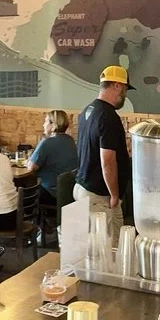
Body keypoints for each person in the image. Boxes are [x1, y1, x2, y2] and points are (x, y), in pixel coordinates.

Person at [77, 67, 133, 216]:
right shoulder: (108, 117)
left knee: (90, 239)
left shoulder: (87, 110)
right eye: (125, 90)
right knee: (109, 239)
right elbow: (107, 161)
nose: (125, 95)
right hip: (99, 196)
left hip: (83, 188)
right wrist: (114, 195)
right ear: (117, 85)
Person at [27, 109, 80, 205]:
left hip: (50, 193)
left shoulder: (47, 142)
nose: (43, 125)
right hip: (68, 192)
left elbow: (30, 167)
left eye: (46, 121)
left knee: (24, 189)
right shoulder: (70, 140)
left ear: (53, 125)